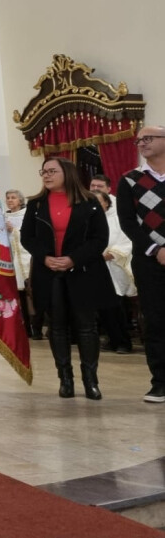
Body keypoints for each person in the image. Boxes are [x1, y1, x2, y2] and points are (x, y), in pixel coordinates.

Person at [20, 157, 112, 399]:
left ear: (68, 173)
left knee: (86, 327)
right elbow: (27, 238)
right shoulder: (36, 204)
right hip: (49, 273)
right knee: (57, 327)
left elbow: (99, 239)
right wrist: (45, 258)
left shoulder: (89, 202)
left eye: (52, 171)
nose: (46, 175)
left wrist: (73, 259)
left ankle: (91, 380)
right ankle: (66, 380)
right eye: (44, 172)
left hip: (82, 271)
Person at [116, 125, 165, 403]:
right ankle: (160, 382)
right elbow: (127, 222)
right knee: (156, 320)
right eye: (139, 140)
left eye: (148, 138)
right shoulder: (130, 180)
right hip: (148, 261)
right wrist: (155, 249)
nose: (142, 143)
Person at [92, 190, 135, 354]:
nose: (95, 204)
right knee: (102, 309)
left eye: (98, 201)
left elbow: (127, 241)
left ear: (107, 203)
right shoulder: (86, 221)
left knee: (116, 308)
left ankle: (124, 342)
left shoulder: (117, 220)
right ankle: (112, 339)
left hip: (114, 267)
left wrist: (110, 254)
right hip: (94, 269)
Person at [4, 189, 40, 340]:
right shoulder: (4, 217)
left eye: (13, 198)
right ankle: (26, 329)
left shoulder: (27, 215)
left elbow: (31, 234)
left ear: (20, 200)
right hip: (14, 262)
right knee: (20, 296)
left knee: (35, 295)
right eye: (8, 198)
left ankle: (37, 328)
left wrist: (14, 231)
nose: (10, 200)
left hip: (29, 259)